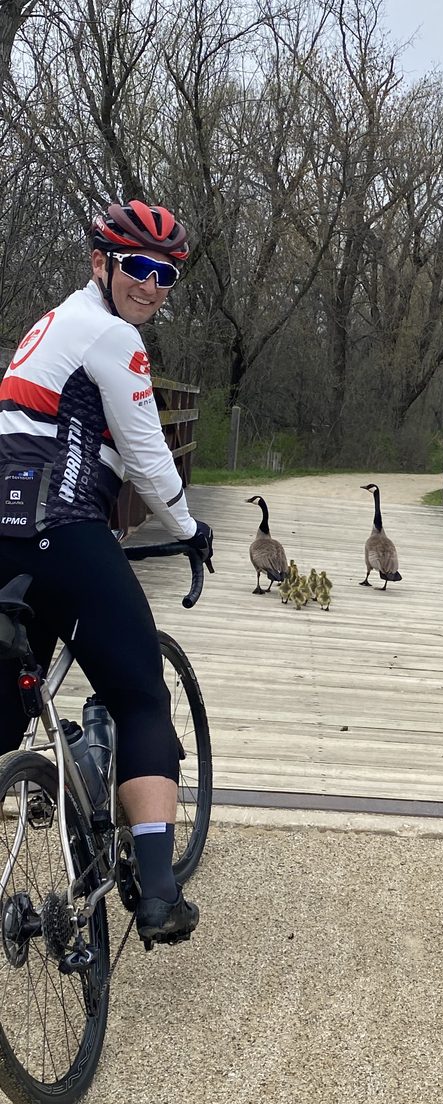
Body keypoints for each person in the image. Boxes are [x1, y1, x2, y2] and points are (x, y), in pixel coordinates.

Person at [0, 200, 213, 944]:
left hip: (7, 530)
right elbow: (151, 460)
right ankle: (157, 895)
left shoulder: (52, 326)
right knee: (138, 693)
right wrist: (190, 529)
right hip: (62, 530)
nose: (154, 286)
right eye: (140, 268)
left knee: (7, 705)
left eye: (168, 273)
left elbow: (81, 437)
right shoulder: (113, 335)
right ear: (101, 263)